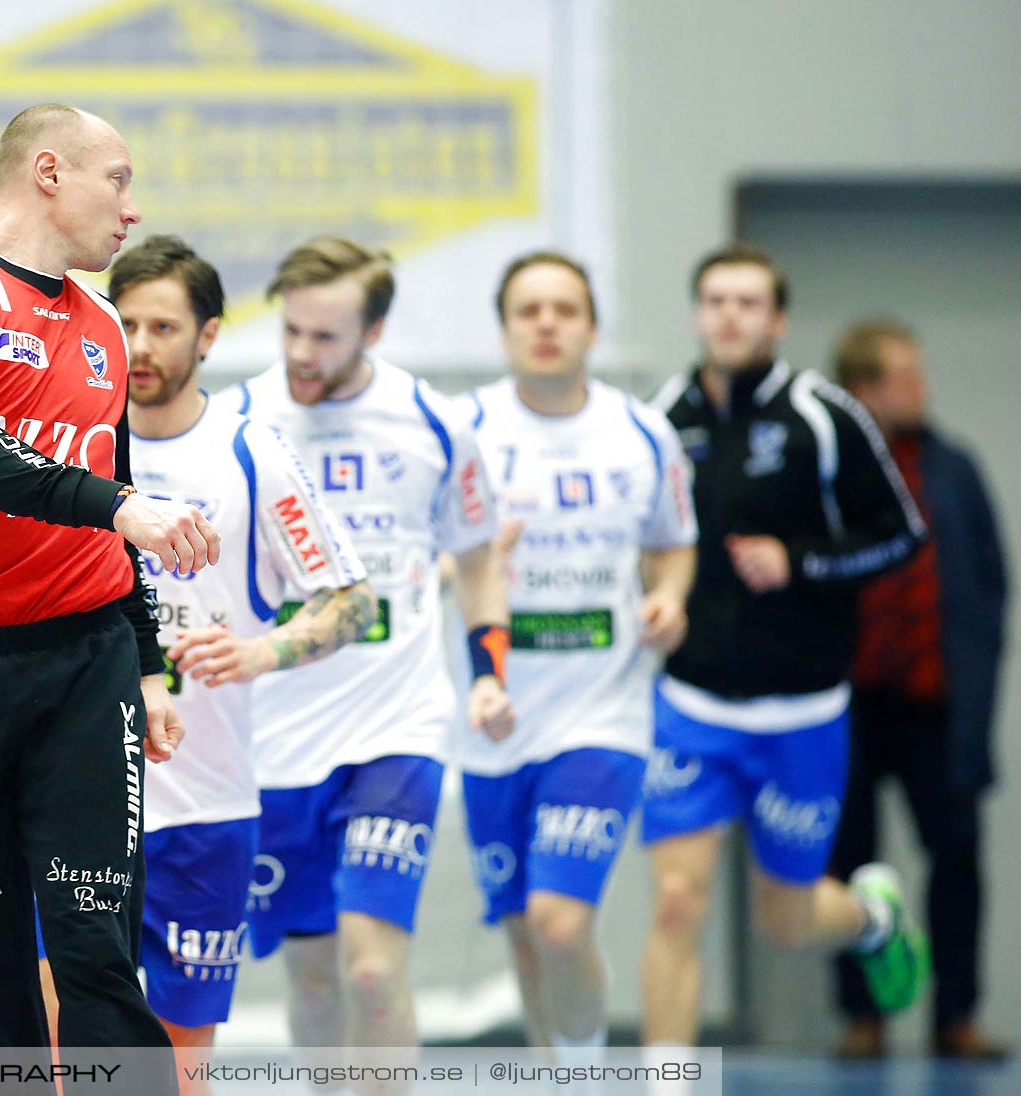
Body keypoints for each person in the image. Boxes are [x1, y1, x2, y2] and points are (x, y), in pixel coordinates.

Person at [0, 104, 218, 1071]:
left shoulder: (102, 324)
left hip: (81, 667)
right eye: (119, 180)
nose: (132, 210)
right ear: (49, 172)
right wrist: (118, 504)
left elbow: (113, 509)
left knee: (97, 948)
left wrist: (146, 664)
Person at [32, 234, 375, 1093]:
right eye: (127, 325)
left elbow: (353, 601)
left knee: (180, 1072)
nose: (141, 347)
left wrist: (264, 650)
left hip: (205, 806)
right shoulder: (68, 443)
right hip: (72, 800)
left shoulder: (251, 452)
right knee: (60, 1055)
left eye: (163, 327)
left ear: (210, 336)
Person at [224, 236, 515, 1073]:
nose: (301, 354)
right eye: (291, 332)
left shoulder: (435, 421)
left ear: (374, 332)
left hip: (398, 729)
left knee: (373, 968)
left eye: (325, 337)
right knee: (314, 981)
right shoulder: (241, 418)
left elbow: (479, 557)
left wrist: (491, 675)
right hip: (274, 742)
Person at [641, 243, 931, 1047]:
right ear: (698, 313)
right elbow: (641, 539)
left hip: (803, 711)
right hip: (692, 704)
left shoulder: (823, 413)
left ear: (777, 319)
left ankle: (872, 917)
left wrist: (798, 561)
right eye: (715, 301)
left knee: (788, 920)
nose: (729, 316)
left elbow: (903, 534)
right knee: (676, 901)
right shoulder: (665, 417)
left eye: (747, 302)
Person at [455, 252, 696, 1059]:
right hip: (495, 716)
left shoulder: (640, 433)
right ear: (505, 329)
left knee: (562, 924)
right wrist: (474, 556)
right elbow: (424, 563)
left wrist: (669, 596)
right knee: (527, 931)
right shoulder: (467, 433)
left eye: (564, 309)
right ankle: (554, 1072)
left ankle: (588, 1072)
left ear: (592, 328)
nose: (547, 324)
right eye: (529, 311)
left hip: (605, 710)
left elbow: (675, 544)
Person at [827, 320, 1009, 1061]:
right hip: (847, 705)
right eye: (905, 377)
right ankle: (863, 1018)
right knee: (848, 865)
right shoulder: (828, 471)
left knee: (958, 855)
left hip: (937, 704)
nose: (921, 389)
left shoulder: (953, 467)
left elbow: (989, 580)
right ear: (864, 391)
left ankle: (954, 1017)